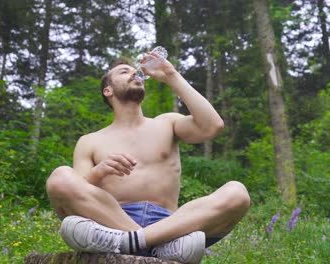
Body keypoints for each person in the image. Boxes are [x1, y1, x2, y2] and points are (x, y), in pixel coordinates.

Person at [46, 52, 251, 264]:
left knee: (238, 194)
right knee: (60, 177)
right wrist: (100, 172)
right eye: (124, 72)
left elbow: (212, 126)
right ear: (108, 90)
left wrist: (171, 75)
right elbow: (78, 192)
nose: (134, 73)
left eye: (135, 71)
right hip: (110, 222)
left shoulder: (167, 123)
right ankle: (153, 246)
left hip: (171, 224)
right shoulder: (90, 141)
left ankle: (133, 242)